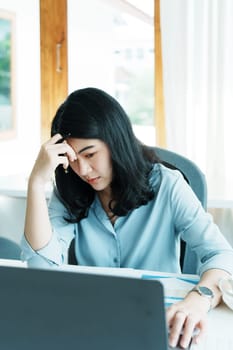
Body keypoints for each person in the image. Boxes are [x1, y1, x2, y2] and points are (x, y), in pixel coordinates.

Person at [21, 87, 233, 349]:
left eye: (90, 154)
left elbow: (221, 255)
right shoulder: (69, 191)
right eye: (73, 159)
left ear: (115, 141)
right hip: (93, 325)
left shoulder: (168, 185)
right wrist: (36, 181)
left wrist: (198, 299)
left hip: (161, 324)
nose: (83, 170)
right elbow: (41, 269)